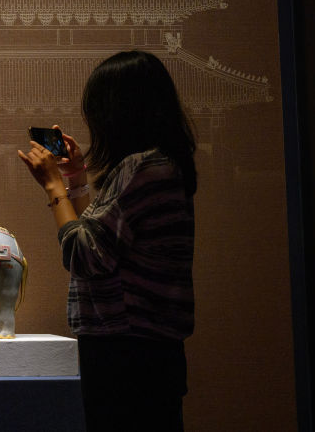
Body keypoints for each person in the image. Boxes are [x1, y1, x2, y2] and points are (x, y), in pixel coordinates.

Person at [17, 50, 195, 432]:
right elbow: (102, 243)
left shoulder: (142, 168)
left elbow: (84, 254)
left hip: (127, 353)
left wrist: (53, 186)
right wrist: (76, 179)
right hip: (147, 352)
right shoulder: (160, 165)